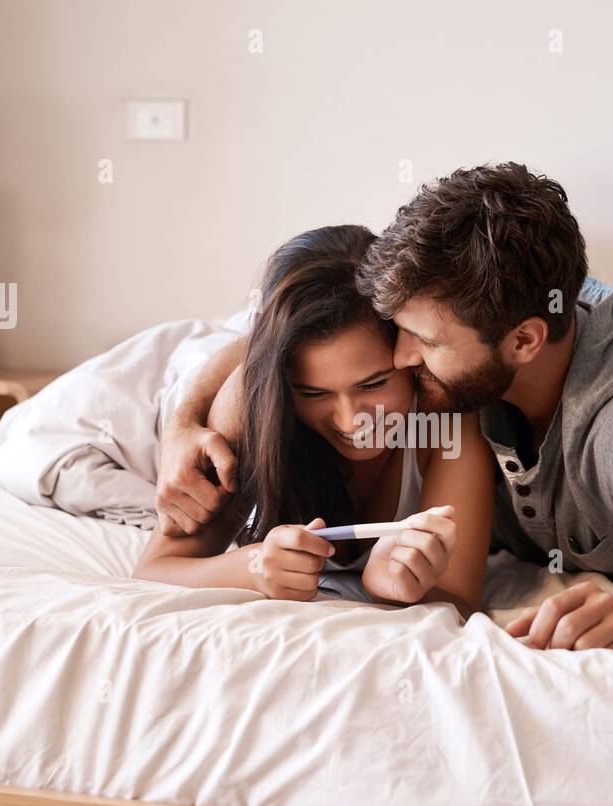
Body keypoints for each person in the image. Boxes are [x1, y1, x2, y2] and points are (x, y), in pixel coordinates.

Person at [155, 164, 613, 653]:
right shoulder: (451, 335)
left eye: (420, 344)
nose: (398, 361)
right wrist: (184, 417)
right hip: (582, 334)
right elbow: (301, 324)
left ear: (521, 341)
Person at [134, 224, 493, 618]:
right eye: (313, 393)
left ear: (410, 353)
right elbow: (154, 569)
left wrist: (388, 589)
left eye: (373, 384)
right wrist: (252, 569)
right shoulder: (251, 404)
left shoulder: (445, 423)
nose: (351, 420)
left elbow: (458, 597)